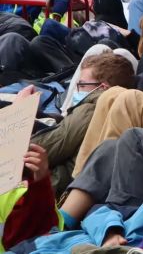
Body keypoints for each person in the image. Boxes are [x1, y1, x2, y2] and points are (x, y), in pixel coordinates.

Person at [31, 52, 136, 192]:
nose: (76, 89)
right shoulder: (126, 110)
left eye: (81, 84)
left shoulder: (90, 109)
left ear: (103, 88)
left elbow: (46, 147)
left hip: (55, 186)